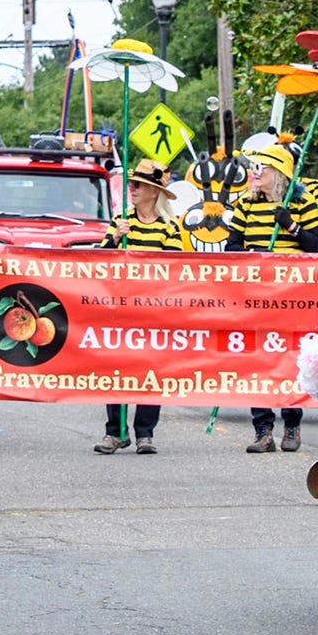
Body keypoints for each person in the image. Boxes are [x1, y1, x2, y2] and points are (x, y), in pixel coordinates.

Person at [229, 145, 318, 454]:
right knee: (258, 360)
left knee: (290, 359)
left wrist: (291, 226)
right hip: (256, 297)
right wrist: (253, 258)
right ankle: (263, 429)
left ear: (280, 173)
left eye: (262, 168)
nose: (255, 173)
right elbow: (232, 246)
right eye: (254, 168)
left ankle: (292, 423)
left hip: (293, 300)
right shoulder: (245, 204)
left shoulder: (304, 203)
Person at [94, 159, 186, 456]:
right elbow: (99, 261)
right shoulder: (120, 220)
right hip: (120, 308)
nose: (131, 189)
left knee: (151, 370)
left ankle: (145, 433)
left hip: (154, 310)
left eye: (137, 185)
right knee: (116, 368)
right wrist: (116, 238)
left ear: (153, 192)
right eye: (131, 184)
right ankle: (115, 432)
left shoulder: (169, 227)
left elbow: (175, 268)